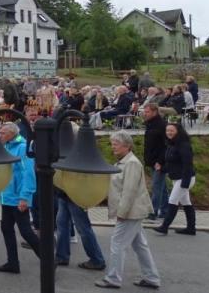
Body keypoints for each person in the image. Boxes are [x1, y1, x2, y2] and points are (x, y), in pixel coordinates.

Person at [96, 131, 160, 289]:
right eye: (112, 144)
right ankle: (151, 277)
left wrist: (121, 213)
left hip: (130, 212)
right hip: (134, 211)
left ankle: (113, 278)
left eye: (116, 144)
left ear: (127, 145)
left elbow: (129, 191)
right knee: (140, 245)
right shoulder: (125, 162)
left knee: (117, 243)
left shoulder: (131, 163)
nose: (113, 147)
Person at [54, 126, 106, 271]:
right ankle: (61, 255)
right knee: (62, 224)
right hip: (65, 193)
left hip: (75, 194)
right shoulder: (71, 149)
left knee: (82, 227)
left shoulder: (81, 151)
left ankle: (97, 259)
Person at [0, 122, 39, 274]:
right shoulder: (5, 146)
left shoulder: (23, 148)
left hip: (18, 198)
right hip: (6, 197)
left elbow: (28, 174)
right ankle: (12, 263)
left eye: (3, 133)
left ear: (12, 134)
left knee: (26, 231)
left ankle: (48, 260)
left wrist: (25, 197)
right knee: (6, 228)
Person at [153, 123, 196, 235]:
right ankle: (191, 228)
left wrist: (185, 183)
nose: (169, 133)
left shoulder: (184, 145)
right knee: (186, 202)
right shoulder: (172, 144)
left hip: (185, 178)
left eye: (171, 130)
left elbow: (188, 164)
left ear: (178, 131)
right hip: (178, 178)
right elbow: (171, 163)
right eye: (167, 131)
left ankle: (164, 227)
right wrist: (161, 168)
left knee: (172, 200)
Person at [143, 103, 168, 221]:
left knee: (157, 186)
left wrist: (160, 161)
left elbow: (166, 145)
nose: (144, 113)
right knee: (162, 187)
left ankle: (153, 211)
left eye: (147, 112)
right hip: (153, 160)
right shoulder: (150, 124)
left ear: (154, 112)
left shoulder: (162, 125)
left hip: (159, 161)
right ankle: (165, 210)